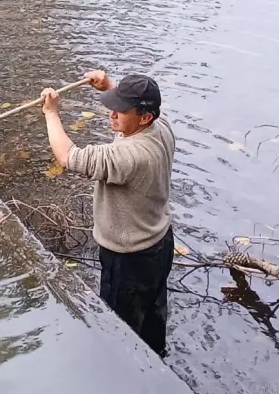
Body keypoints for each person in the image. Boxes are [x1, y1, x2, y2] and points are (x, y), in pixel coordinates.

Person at [39, 70, 175, 358]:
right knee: (152, 312)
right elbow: (135, 113)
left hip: (129, 257)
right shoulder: (161, 127)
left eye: (121, 109)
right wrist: (110, 87)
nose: (112, 113)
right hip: (160, 242)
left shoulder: (130, 155)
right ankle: (157, 360)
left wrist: (51, 113)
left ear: (144, 117)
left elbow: (69, 157)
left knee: (119, 331)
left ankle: (121, 370)